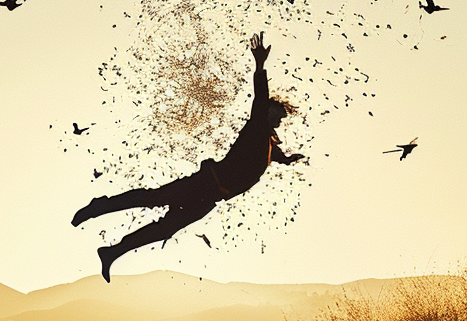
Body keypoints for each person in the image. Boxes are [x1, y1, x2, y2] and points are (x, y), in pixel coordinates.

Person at [72, 32, 305, 281]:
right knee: (154, 199)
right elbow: (260, 99)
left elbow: (271, 156)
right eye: (276, 114)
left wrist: (288, 160)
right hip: (205, 184)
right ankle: (100, 207)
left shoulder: (266, 142)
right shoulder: (258, 126)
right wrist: (260, 66)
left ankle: (112, 252)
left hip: (211, 197)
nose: (279, 120)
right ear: (266, 112)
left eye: (280, 117)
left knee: (166, 229)